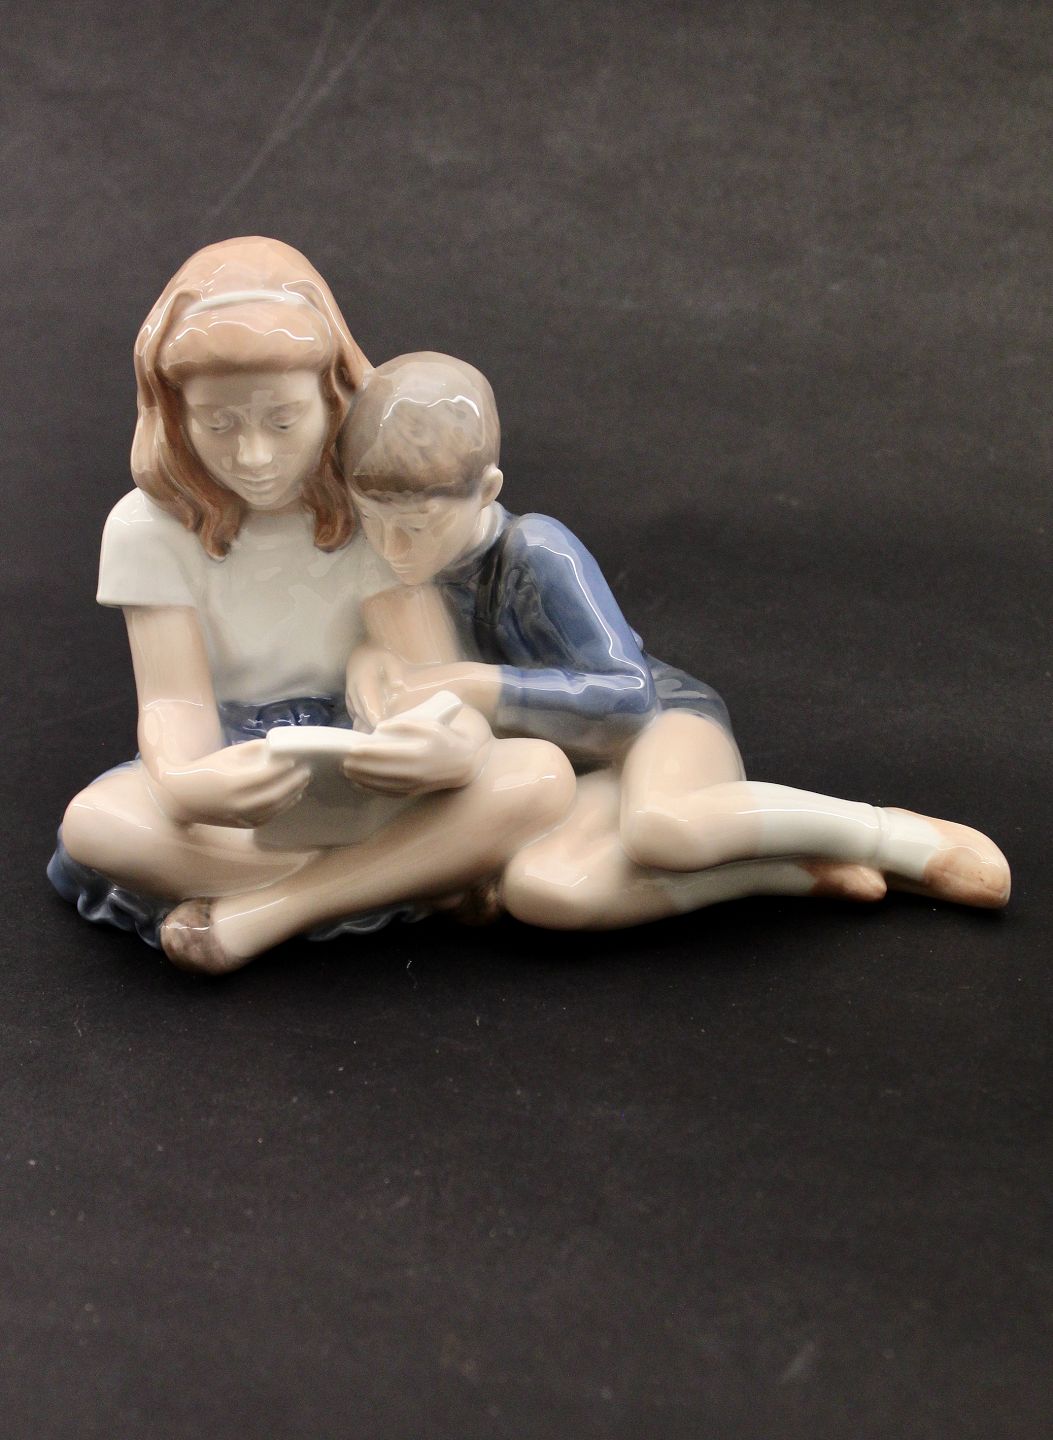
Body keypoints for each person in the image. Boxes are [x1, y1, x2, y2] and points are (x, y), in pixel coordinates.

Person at [339, 351, 1011, 929]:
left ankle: (891, 835)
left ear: (486, 490)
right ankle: (781, 871)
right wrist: (372, 669)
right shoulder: (406, 585)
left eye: (418, 525)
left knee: (663, 826)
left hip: (663, 725)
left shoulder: (534, 548)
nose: (394, 548)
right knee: (544, 892)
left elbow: (627, 697)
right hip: (580, 774)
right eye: (373, 520)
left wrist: (474, 685)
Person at [49, 241, 575, 971]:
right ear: (173, 415)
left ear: (333, 400)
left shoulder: (373, 508)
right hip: (240, 765)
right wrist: (187, 784)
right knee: (97, 825)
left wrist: (451, 745)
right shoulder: (146, 528)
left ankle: (270, 911)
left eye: (283, 420)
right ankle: (417, 872)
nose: (254, 457)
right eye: (219, 424)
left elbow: (432, 682)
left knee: (541, 776)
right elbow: (173, 702)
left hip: (365, 761)